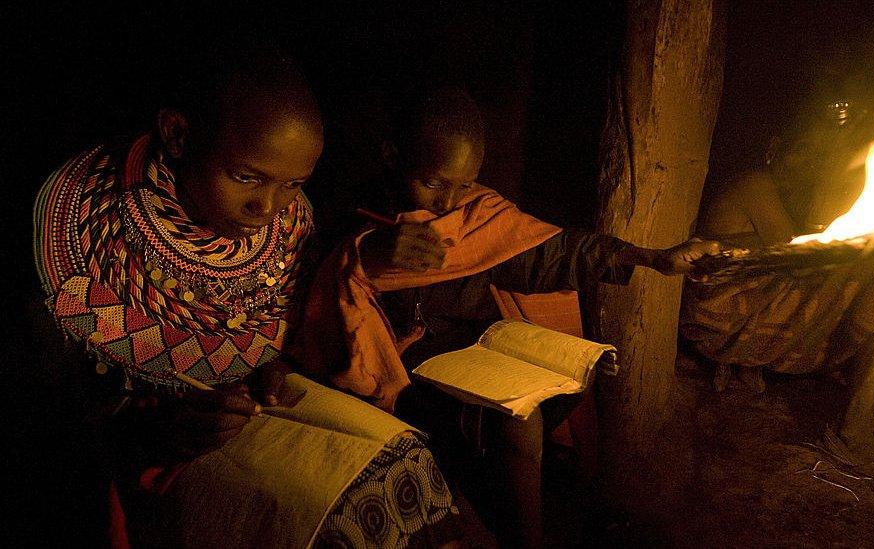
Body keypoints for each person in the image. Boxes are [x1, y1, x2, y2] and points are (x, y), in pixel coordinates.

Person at [31, 43, 461, 548]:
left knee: (408, 459)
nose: (268, 206)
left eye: (292, 184)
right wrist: (159, 432)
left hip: (249, 419)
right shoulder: (88, 235)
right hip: (144, 459)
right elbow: (60, 430)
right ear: (178, 135)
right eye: (245, 177)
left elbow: (280, 325)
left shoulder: (290, 221)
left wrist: (268, 364)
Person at [291, 86, 720, 548]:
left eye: (463, 184)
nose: (446, 202)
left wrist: (653, 259)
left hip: (477, 355)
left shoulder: (477, 215)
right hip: (400, 371)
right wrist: (368, 250)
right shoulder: (351, 214)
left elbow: (553, 252)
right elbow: (319, 284)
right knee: (517, 422)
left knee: (568, 376)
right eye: (433, 183)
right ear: (393, 156)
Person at [680, 98, 874, 503]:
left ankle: (864, 406)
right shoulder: (754, 185)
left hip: (756, 314)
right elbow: (798, 260)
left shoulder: (782, 192)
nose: (803, 165)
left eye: (814, 157)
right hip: (723, 321)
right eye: (798, 153)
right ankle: (858, 428)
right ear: (773, 149)